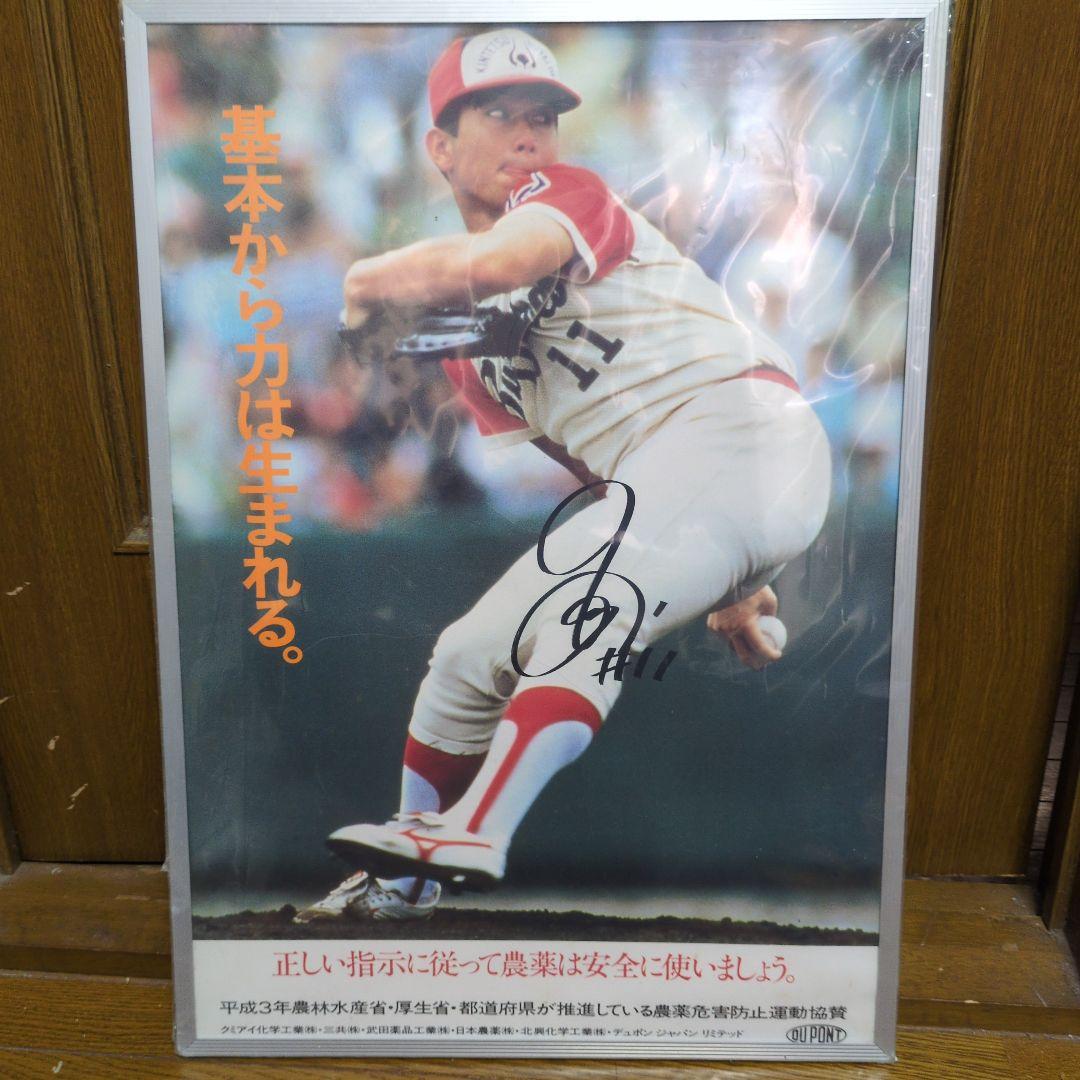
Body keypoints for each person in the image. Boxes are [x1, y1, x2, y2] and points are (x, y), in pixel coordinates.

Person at [295, 28, 830, 924]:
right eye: (498, 114)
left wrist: (365, 275)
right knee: (467, 657)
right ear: (440, 147)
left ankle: (477, 831)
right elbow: (589, 464)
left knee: (589, 608)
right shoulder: (467, 346)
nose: (527, 134)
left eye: (541, 116)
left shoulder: (562, 195)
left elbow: (500, 263)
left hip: (745, 428)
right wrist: (734, 581)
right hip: (681, 478)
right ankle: (404, 877)